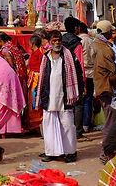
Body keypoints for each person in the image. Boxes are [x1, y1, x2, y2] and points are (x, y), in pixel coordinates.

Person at [34, 31, 84, 162]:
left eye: (59, 40)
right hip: (49, 97)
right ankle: (51, 152)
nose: (57, 43)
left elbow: (78, 74)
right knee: (49, 125)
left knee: (67, 125)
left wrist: (79, 91)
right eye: (54, 41)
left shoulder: (69, 56)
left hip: (65, 97)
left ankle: (70, 152)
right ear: (50, 42)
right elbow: (42, 78)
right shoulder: (45, 57)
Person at [92, 20, 116, 159]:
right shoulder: (105, 49)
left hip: (99, 85)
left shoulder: (96, 44)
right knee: (110, 121)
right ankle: (106, 152)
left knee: (109, 118)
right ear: (108, 32)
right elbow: (113, 72)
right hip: (105, 86)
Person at [0, 32, 29, 100]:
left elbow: (10, 66)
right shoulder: (12, 46)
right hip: (22, 74)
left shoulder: (5, 49)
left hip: (16, 76)